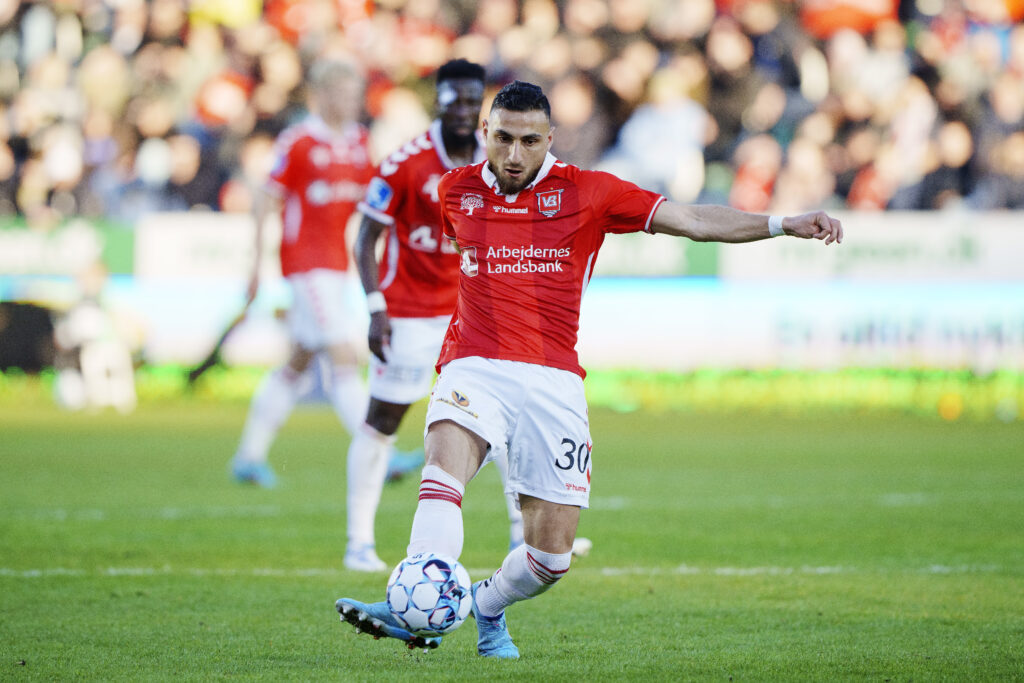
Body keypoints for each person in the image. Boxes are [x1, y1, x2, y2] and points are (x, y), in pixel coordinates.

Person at [335, 80, 843, 655]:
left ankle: (484, 604)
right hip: (472, 364)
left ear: (550, 139)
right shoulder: (455, 191)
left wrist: (782, 223)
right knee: (442, 474)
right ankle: (416, 603)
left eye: (529, 141)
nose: (514, 154)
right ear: (485, 136)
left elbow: (696, 221)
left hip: (553, 381)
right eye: (502, 138)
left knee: (550, 558)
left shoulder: (591, 192)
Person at [345, 59, 525, 573]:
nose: (467, 111)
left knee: (506, 416)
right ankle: (359, 541)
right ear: (438, 101)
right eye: (456, 100)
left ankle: (521, 535)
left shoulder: (498, 157)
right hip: (407, 312)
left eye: (475, 101)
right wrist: (375, 307)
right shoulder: (406, 161)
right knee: (383, 420)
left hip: (470, 316)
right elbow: (366, 238)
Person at [228, 61, 381, 572]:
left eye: (355, 88)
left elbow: (379, 202)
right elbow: (265, 201)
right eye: (342, 87)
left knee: (296, 363)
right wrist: (255, 264)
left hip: (336, 266)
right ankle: (374, 439)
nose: (350, 97)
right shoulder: (297, 141)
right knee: (345, 353)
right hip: (304, 264)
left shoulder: (359, 142)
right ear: (320, 93)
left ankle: (249, 457)